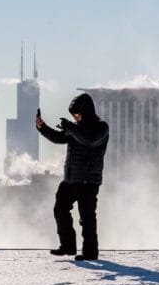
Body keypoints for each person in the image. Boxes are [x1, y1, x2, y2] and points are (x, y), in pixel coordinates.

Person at [36, 93, 109, 261]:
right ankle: (67, 246)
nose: (76, 118)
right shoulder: (76, 128)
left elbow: (90, 140)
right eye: (74, 115)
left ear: (86, 111)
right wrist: (42, 128)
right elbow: (58, 138)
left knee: (87, 217)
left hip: (88, 181)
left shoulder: (101, 127)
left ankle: (90, 253)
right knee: (60, 209)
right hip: (70, 179)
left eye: (77, 114)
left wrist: (70, 127)